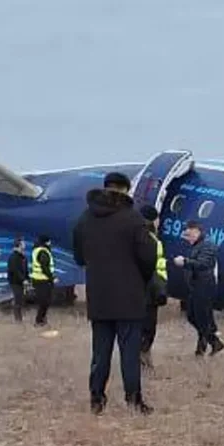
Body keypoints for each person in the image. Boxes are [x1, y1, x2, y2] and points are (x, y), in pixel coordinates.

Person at [72, 172, 157, 415]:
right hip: (129, 297)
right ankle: (134, 400)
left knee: (100, 352)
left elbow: (79, 256)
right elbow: (148, 256)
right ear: (125, 190)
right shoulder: (133, 220)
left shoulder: (85, 219)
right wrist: (140, 278)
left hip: (99, 296)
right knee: (129, 353)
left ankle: (96, 398)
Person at [176, 220, 224, 355]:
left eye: (189, 235)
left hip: (204, 286)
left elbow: (203, 264)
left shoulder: (208, 246)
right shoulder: (197, 245)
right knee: (192, 316)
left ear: (197, 231)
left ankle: (213, 342)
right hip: (196, 286)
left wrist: (185, 262)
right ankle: (206, 343)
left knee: (201, 317)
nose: (188, 238)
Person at [140, 205, 168, 369]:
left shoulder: (147, 238)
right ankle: (142, 358)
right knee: (147, 327)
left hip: (149, 289)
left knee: (144, 327)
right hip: (149, 290)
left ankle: (143, 357)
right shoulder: (150, 240)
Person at [30, 235, 55, 326]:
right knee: (44, 301)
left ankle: (42, 319)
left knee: (45, 301)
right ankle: (39, 320)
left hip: (39, 279)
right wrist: (52, 278)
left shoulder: (37, 250)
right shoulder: (43, 252)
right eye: (49, 241)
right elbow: (45, 267)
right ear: (46, 242)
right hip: (43, 280)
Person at [7, 237, 29, 323]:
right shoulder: (14, 257)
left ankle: (19, 316)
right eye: (23, 243)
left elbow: (25, 269)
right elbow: (15, 270)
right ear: (19, 245)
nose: (25, 244)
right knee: (18, 298)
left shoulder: (23, 256)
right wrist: (23, 279)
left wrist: (27, 278)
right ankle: (18, 318)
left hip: (21, 281)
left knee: (21, 298)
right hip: (15, 281)